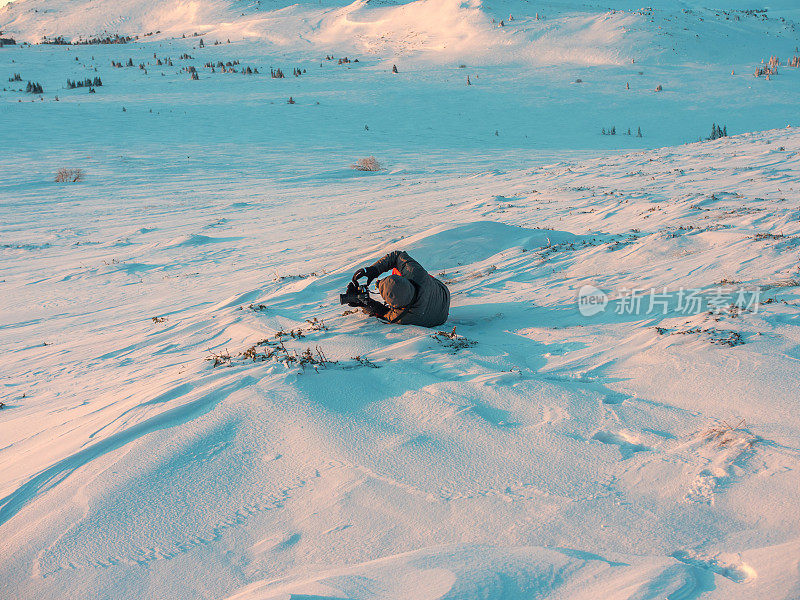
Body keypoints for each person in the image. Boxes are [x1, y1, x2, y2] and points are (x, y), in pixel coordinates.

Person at [351, 250, 450, 327]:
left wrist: (364, 303)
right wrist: (375, 269)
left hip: (439, 315)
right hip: (443, 294)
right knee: (400, 272)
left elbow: (383, 312)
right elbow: (398, 256)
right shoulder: (416, 273)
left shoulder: (404, 316)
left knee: (395, 274)